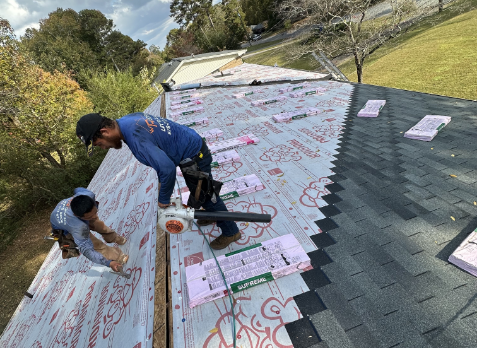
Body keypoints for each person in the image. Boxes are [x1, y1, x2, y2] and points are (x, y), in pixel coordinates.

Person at [76, 112, 240, 250]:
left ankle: (231, 231)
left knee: (206, 194)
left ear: (105, 131)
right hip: (189, 145)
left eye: (99, 144)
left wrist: (163, 200)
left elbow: (167, 169)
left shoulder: (135, 138)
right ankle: (212, 214)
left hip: (195, 155)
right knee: (198, 191)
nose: (103, 148)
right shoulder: (126, 121)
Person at [50, 187, 128, 272]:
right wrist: (108, 263)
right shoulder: (78, 228)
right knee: (96, 245)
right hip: (65, 227)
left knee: (99, 225)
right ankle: (118, 256)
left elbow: (77, 189)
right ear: (78, 216)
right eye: (90, 216)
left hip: (67, 210)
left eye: (95, 212)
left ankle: (115, 238)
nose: (94, 217)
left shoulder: (88, 195)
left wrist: (91, 216)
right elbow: (87, 250)